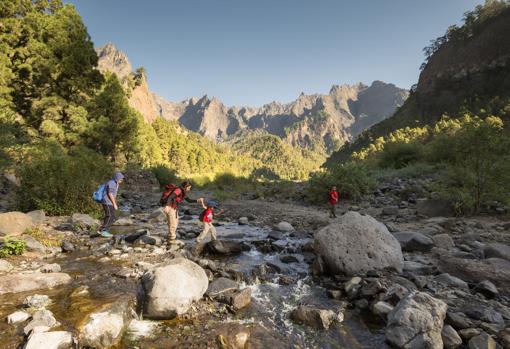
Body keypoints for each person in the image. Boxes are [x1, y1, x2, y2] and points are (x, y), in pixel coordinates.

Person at [162, 181, 202, 246]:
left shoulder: (183, 192)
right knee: (173, 223)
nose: (189, 189)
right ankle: (171, 240)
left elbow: (188, 200)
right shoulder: (178, 190)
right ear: (185, 187)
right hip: (170, 207)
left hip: (174, 208)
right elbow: (171, 197)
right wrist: (167, 206)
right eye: (189, 188)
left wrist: (197, 200)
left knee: (176, 222)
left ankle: (171, 238)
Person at [98, 171, 124, 237]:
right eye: (121, 179)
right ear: (117, 178)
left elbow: (113, 194)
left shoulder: (115, 183)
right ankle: (103, 231)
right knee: (110, 216)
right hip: (107, 202)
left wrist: (115, 203)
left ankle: (102, 229)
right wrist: (114, 204)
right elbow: (110, 194)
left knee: (113, 217)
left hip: (109, 202)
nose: (122, 180)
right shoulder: (112, 183)